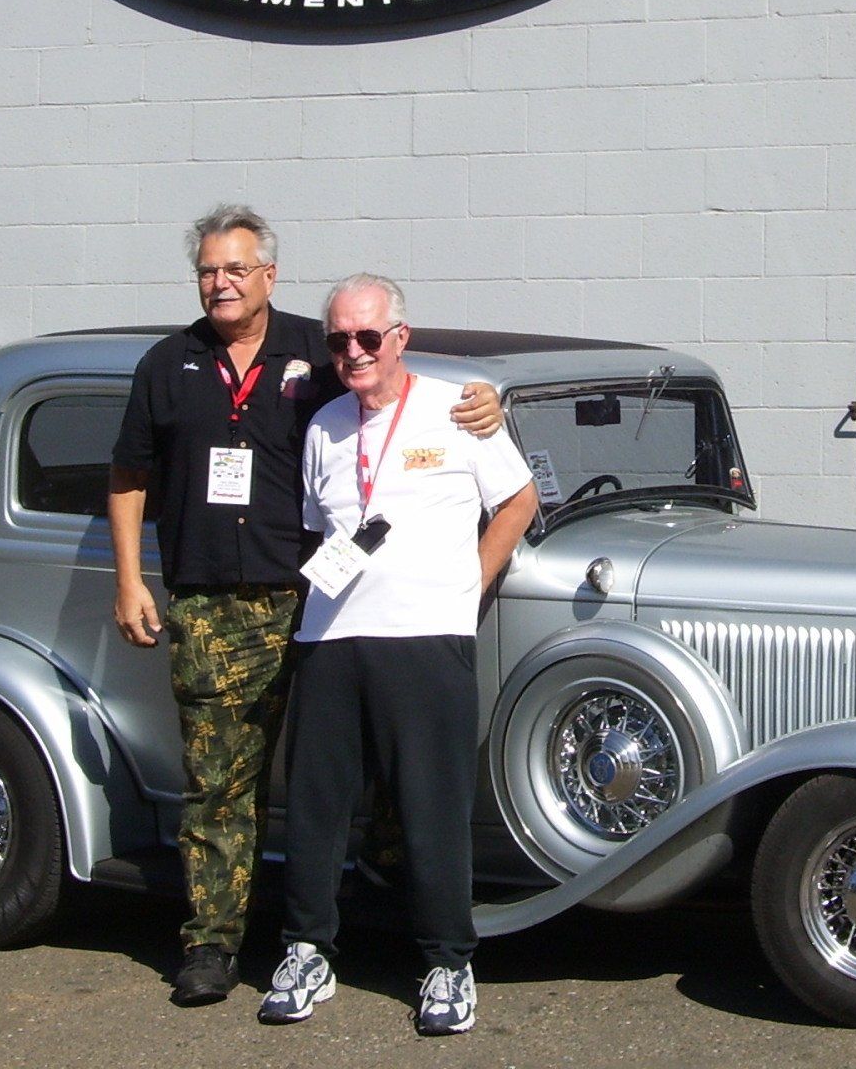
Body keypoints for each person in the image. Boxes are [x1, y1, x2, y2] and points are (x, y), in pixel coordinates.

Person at [108, 207, 500, 1007]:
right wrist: (128, 578)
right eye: (209, 271)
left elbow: (390, 385)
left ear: (268, 277)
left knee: (374, 779)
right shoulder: (166, 364)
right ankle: (215, 945)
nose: (221, 283)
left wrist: (486, 400)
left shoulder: (316, 353)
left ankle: (396, 927)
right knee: (221, 783)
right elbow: (127, 477)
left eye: (236, 270)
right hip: (214, 605)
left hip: (316, 599)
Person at [260, 273, 538, 1037]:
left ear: (399, 338)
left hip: (426, 638)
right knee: (317, 810)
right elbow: (323, 526)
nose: (354, 352)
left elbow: (518, 503)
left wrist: (469, 586)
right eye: (339, 339)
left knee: (431, 808)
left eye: (368, 337)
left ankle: (448, 962)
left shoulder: (459, 411)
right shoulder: (324, 427)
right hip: (330, 639)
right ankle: (307, 950)